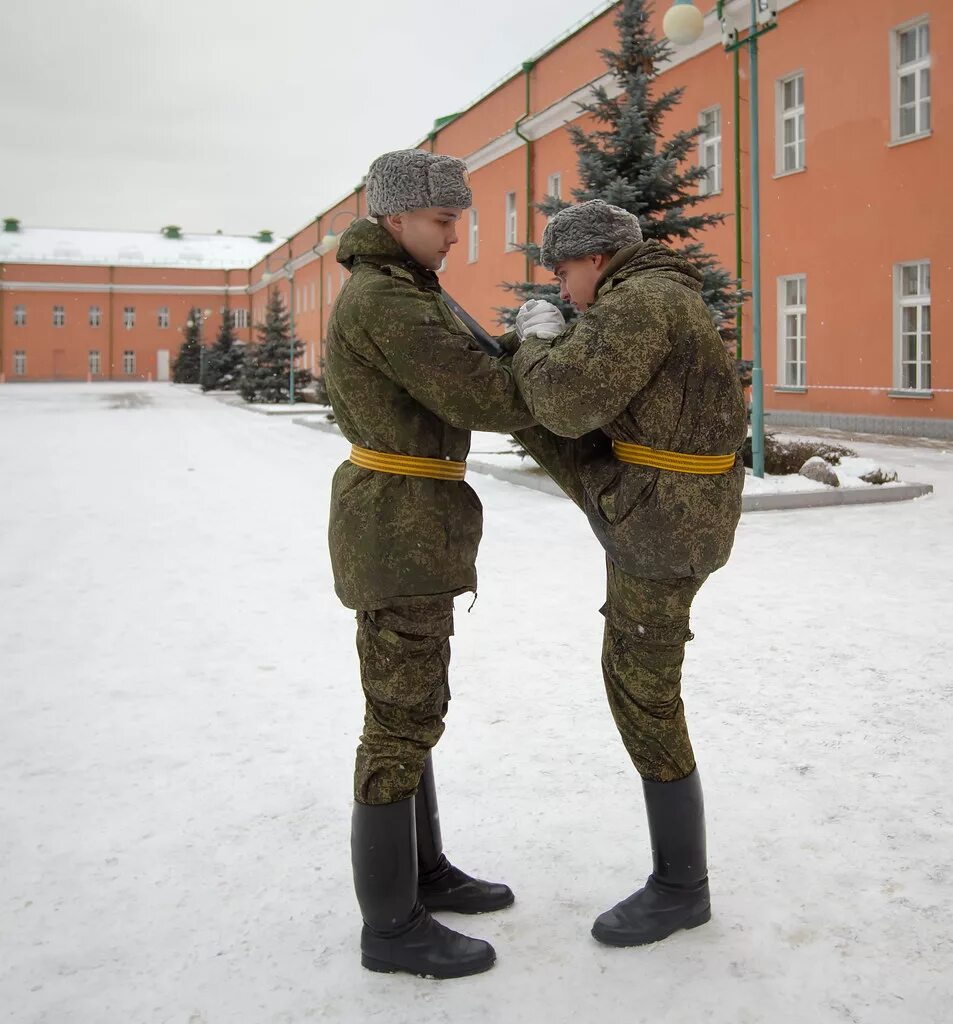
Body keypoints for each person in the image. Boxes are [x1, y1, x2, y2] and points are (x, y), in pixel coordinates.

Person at [510, 199, 747, 947]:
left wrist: (534, 342)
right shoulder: (663, 295)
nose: (561, 286)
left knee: (642, 690)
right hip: (674, 516)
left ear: (594, 258)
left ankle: (681, 886)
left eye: (563, 270)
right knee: (641, 680)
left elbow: (564, 401)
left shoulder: (640, 301)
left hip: (660, 528)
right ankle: (681, 878)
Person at [324, 149, 535, 979]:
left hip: (411, 525)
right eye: (444, 221)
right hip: (396, 529)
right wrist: (550, 359)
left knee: (415, 707)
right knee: (397, 720)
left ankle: (424, 871)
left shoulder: (409, 290)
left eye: (459, 220)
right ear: (395, 219)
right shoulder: (387, 300)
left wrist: (521, 342)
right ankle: (391, 925)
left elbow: (471, 363)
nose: (456, 236)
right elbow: (481, 393)